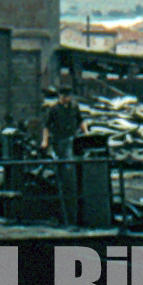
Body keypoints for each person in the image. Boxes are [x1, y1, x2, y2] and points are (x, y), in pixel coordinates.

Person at [41, 85, 90, 225]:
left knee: (74, 165)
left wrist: (86, 133)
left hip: (72, 140)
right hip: (59, 141)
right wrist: (45, 141)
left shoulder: (74, 107)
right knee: (66, 168)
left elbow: (81, 120)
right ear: (59, 96)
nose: (65, 98)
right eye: (63, 95)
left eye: (67, 95)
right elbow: (46, 126)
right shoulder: (54, 109)